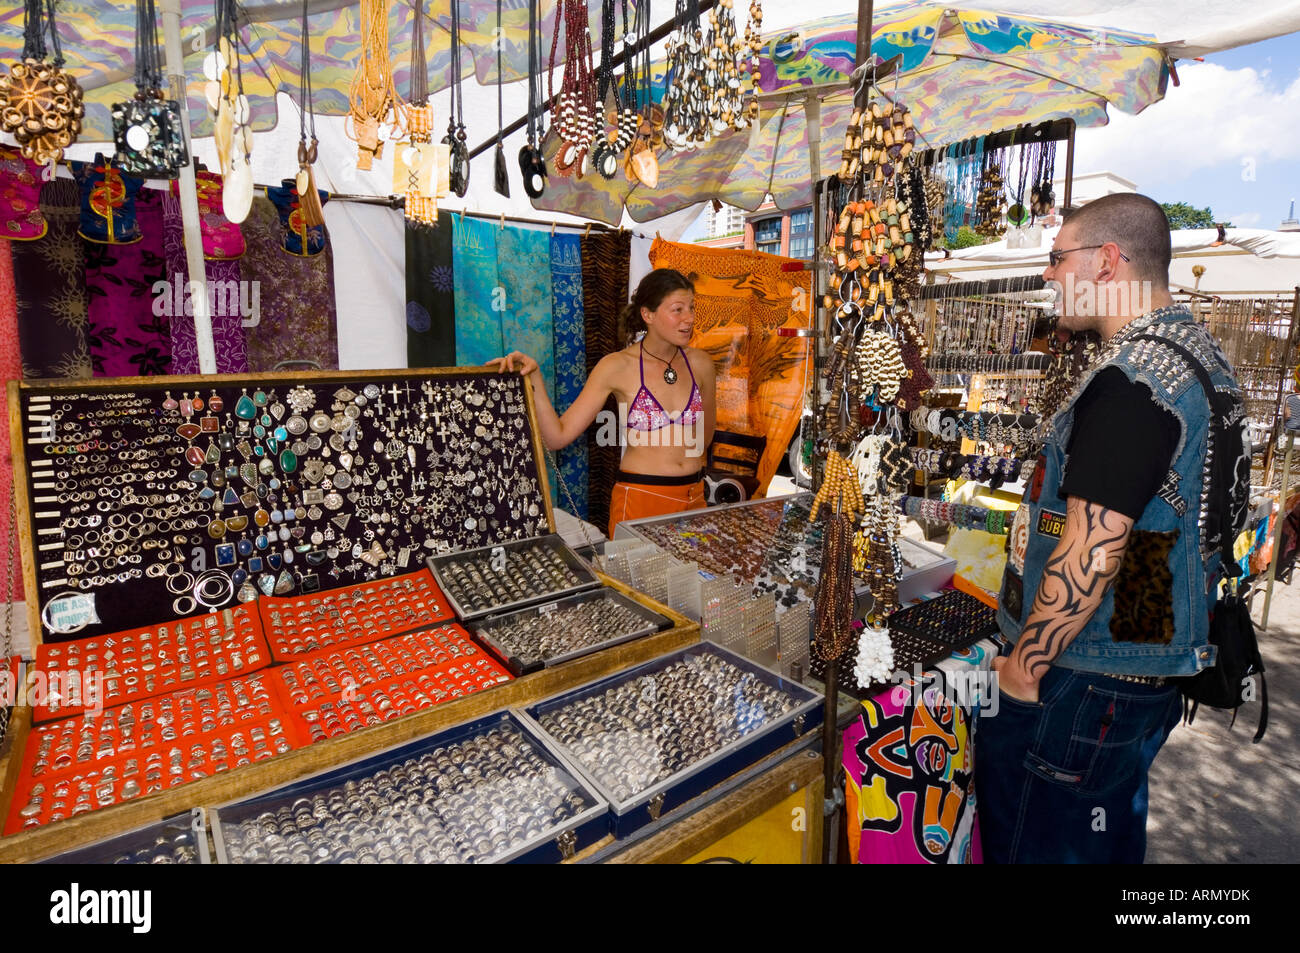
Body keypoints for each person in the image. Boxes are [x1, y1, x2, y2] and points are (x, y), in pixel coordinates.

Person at [976, 193, 1245, 863]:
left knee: (1039, 842)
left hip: (1083, 679)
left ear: (1105, 261)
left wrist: (1023, 669)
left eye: (1056, 257)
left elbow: (1092, 549)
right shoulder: (1200, 359)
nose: (1047, 275)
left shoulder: (1133, 381)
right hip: (1140, 664)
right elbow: (1159, 532)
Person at [489, 268, 716, 539]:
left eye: (691, 307)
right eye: (678, 309)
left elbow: (704, 438)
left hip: (694, 497)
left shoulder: (701, 364)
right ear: (648, 314)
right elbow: (557, 437)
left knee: (693, 580)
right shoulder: (616, 366)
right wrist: (534, 377)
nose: (689, 318)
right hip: (641, 499)